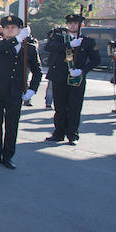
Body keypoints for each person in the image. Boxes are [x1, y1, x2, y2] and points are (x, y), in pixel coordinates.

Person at [0, 15, 42, 170]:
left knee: (12, 126)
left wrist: (32, 90)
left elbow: (37, 71)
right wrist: (16, 40)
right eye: (7, 28)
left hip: (15, 92)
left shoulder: (30, 48)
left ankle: (8, 156)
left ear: (20, 29)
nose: (10, 30)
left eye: (13, 28)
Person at [44, 13, 101, 144]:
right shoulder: (59, 38)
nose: (72, 25)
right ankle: (58, 133)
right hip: (59, 77)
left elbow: (96, 60)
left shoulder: (87, 41)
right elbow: (49, 47)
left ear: (81, 25)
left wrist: (83, 70)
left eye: (75, 23)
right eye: (70, 23)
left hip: (77, 78)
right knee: (59, 106)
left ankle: (72, 134)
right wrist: (69, 44)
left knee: (74, 107)